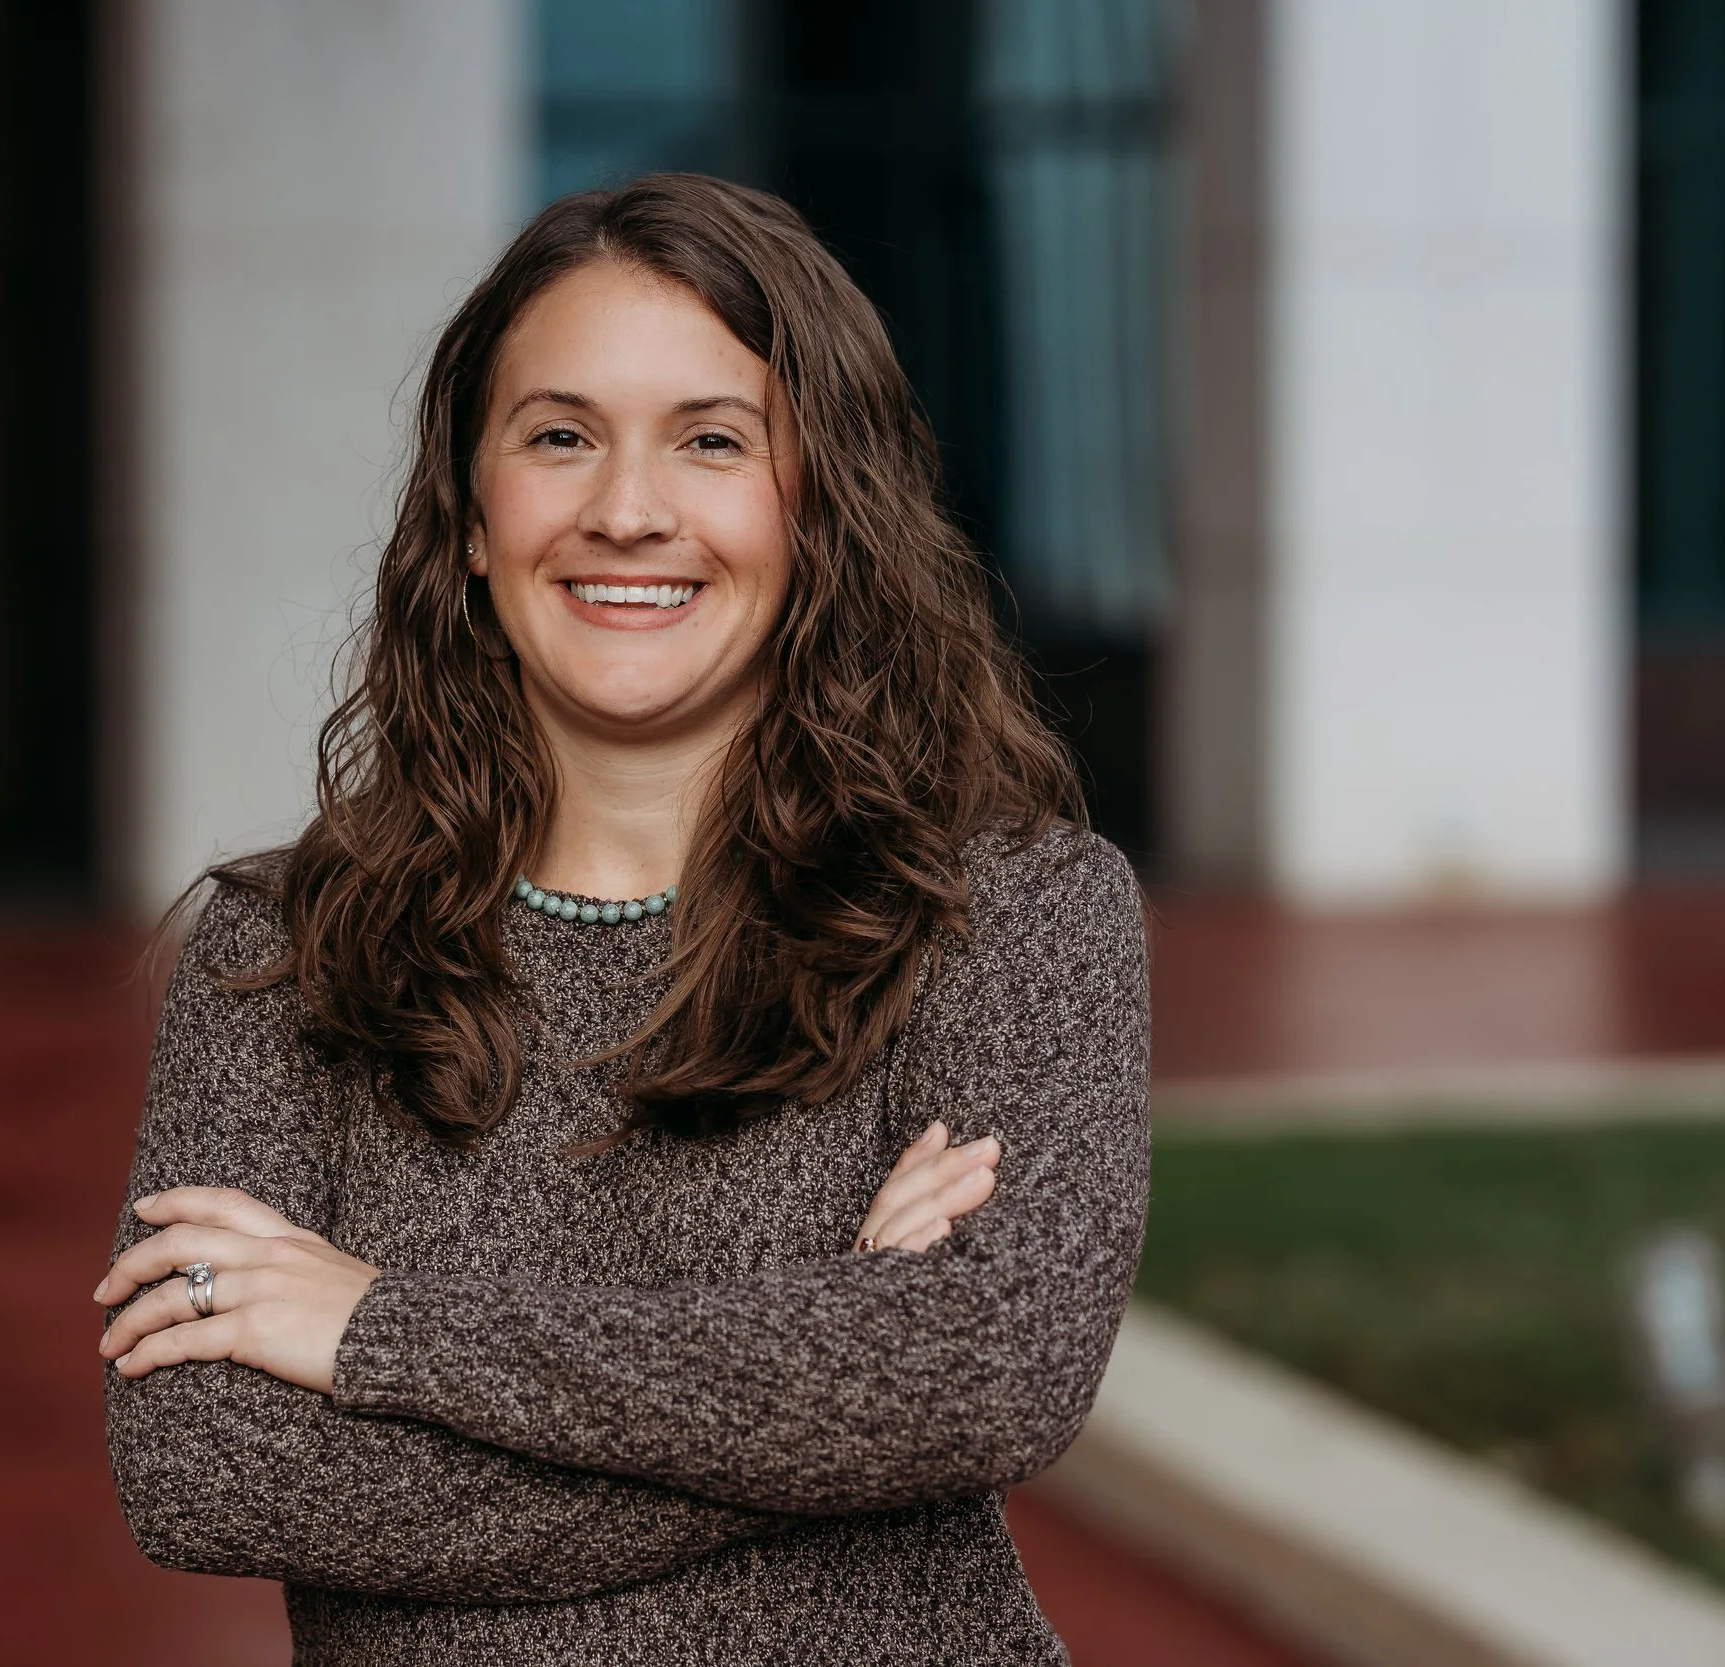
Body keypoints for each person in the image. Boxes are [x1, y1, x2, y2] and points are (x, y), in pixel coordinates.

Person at [92, 173, 1150, 1665]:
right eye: (560, 436)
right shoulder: (280, 956)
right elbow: (211, 1471)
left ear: (819, 510)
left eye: (713, 441)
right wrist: (829, 1364)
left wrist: (381, 1331)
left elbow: (991, 1375)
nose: (628, 511)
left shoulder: (1015, 919)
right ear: (469, 515)